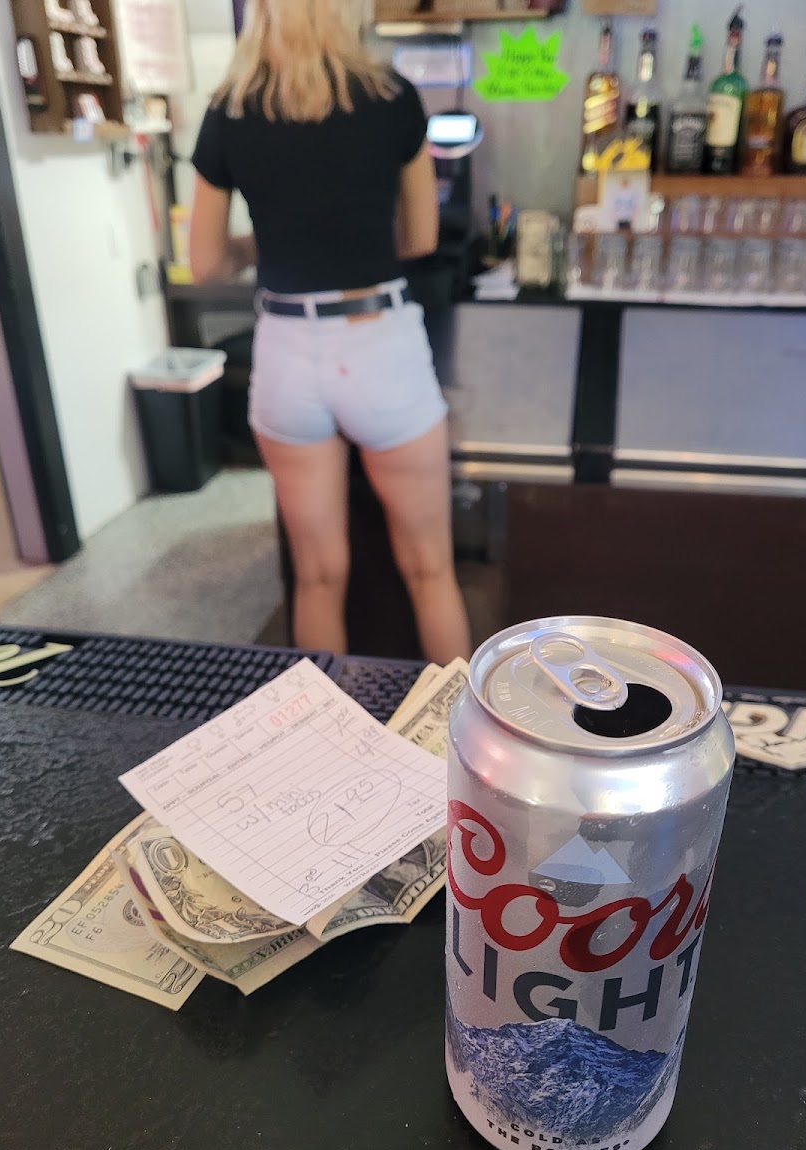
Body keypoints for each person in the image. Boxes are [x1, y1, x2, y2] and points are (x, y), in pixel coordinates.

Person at [189, 0, 471, 664]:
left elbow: (205, 262)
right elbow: (421, 237)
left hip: (288, 351)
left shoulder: (229, 107)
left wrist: (265, 242)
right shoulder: (392, 96)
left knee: (316, 576)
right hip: (379, 343)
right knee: (431, 569)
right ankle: (454, 729)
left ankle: (331, 730)